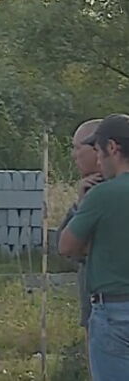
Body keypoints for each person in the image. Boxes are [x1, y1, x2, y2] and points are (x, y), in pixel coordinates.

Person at [60, 113, 129, 379]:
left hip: (113, 309)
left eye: (98, 150)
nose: (97, 158)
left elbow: (66, 246)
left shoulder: (101, 195)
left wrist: (82, 205)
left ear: (113, 148)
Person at [58, 120, 103, 343]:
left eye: (78, 148)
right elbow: (65, 248)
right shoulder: (88, 189)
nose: (74, 156)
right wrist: (79, 206)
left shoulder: (110, 191)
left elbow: (68, 248)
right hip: (93, 306)